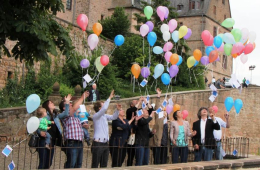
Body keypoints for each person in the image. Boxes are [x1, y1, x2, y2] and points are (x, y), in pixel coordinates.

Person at [37, 94, 72, 169]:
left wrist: (67, 102)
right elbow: (36, 124)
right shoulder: (45, 116)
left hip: (52, 141)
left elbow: (66, 113)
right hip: (44, 141)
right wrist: (40, 132)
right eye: (50, 103)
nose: (53, 103)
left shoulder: (56, 115)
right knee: (42, 162)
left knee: (48, 163)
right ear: (47, 106)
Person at [61, 91, 90, 168]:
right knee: (71, 164)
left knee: (78, 165)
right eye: (68, 103)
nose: (70, 104)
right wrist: (82, 97)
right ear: (64, 108)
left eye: (70, 103)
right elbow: (74, 108)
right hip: (72, 142)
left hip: (79, 142)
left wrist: (84, 126)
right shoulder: (65, 114)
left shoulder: (75, 117)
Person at [91, 90, 119, 168]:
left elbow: (114, 117)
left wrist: (117, 110)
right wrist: (109, 97)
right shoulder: (96, 116)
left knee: (104, 165)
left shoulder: (104, 116)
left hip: (105, 143)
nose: (104, 107)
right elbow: (104, 109)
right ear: (99, 108)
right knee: (95, 164)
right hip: (98, 143)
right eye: (102, 106)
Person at [149, 88, 166, 164]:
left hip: (165, 143)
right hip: (158, 142)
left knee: (164, 161)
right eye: (163, 111)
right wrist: (158, 96)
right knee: (157, 160)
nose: (164, 112)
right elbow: (157, 108)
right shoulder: (159, 118)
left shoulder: (168, 122)